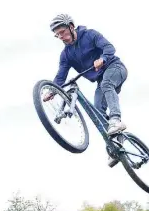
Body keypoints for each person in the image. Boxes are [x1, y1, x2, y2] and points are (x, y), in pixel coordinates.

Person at [43, 14, 128, 166]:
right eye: (57, 35)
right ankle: (115, 146)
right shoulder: (66, 55)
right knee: (98, 110)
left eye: (62, 32)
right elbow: (61, 75)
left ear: (71, 26)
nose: (61, 36)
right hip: (101, 80)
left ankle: (116, 120)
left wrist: (103, 59)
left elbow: (109, 48)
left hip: (115, 68)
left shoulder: (90, 35)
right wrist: (53, 90)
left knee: (106, 84)